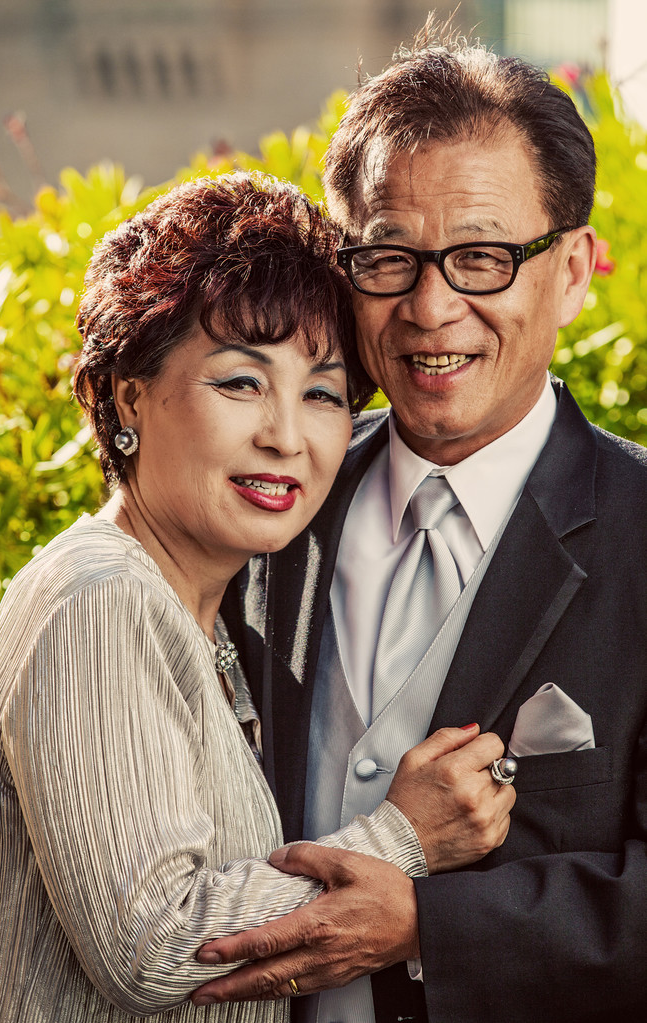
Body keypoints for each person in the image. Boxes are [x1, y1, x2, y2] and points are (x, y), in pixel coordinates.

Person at [0, 172, 514, 1023]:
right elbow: (151, 947)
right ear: (129, 396)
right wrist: (401, 839)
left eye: (323, 393)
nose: (286, 435)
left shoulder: (213, 614)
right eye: (240, 383)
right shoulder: (98, 600)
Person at [199, 24, 647, 1023]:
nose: (431, 309)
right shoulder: (258, 502)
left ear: (572, 270)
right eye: (389, 258)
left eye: (482, 258)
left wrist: (430, 928)